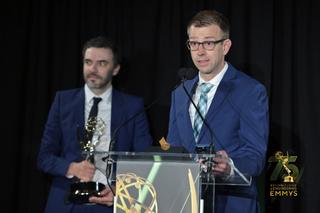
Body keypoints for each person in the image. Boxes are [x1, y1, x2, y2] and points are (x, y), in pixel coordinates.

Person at [167, 10, 269, 213]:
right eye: (194, 43)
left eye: (209, 43)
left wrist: (229, 166)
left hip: (231, 203)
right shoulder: (180, 92)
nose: (200, 51)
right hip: (185, 202)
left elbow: (255, 157)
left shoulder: (250, 91)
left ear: (226, 46)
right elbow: (173, 149)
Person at [38, 36, 153, 213]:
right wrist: (71, 168)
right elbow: (44, 157)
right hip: (66, 204)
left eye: (102, 63)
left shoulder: (133, 107)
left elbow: (144, 159)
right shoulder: (63, 101)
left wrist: (120, 190)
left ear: (115, 69)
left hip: (111, 203)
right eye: (88, 62)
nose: (93, 69)